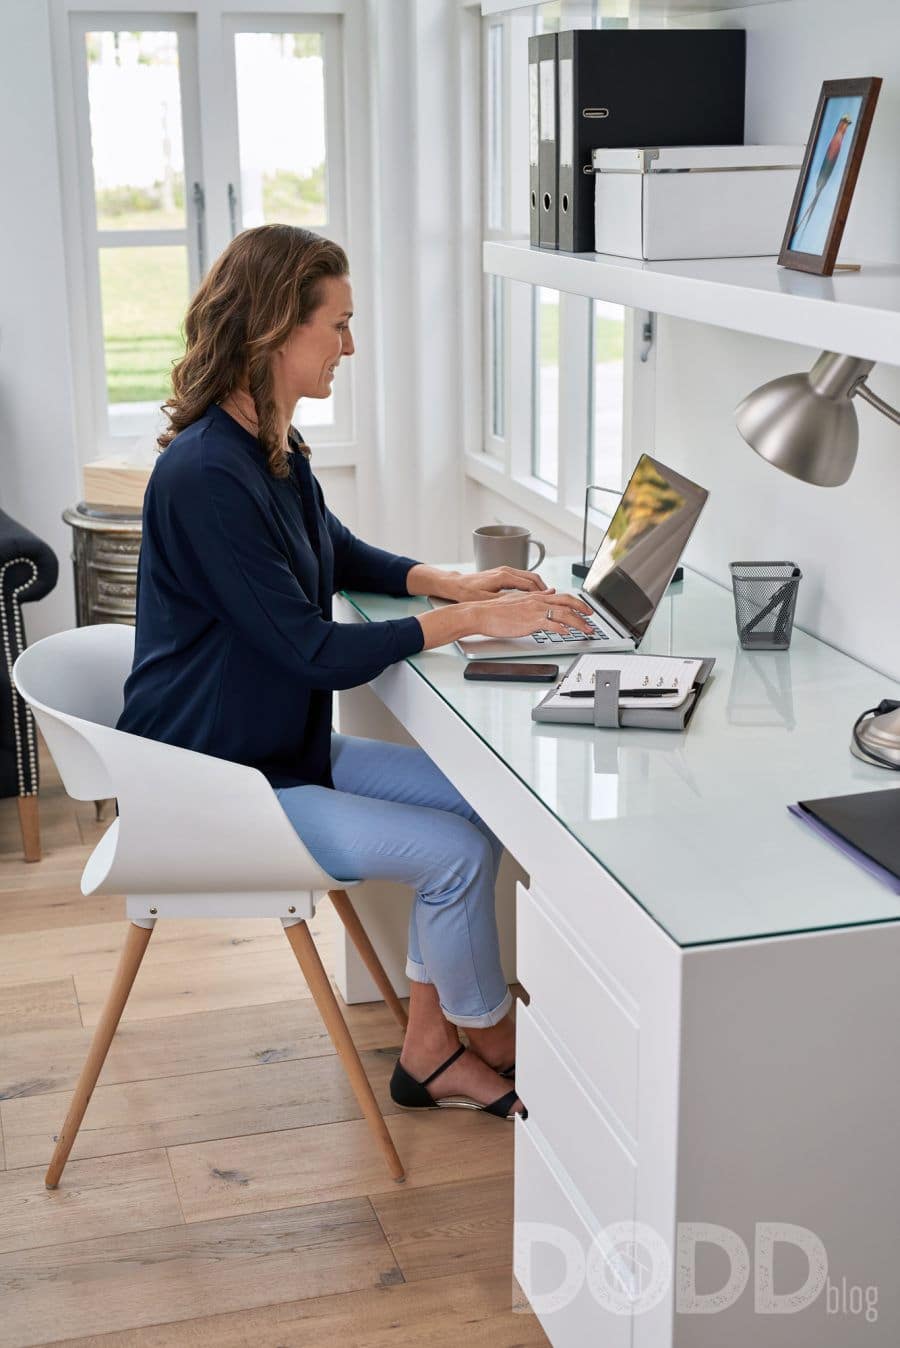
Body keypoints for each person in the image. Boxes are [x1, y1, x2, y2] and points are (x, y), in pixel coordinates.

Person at [118, 224, 593, 1120]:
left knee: (479, 802)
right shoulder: (205, 476)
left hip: (277, 748)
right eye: (336, 325)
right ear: (272, 329)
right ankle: (488, 1034)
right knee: (453, 855)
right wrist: (470, 621)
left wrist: (446, 579)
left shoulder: (269, 440)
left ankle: (428, 1052)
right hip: (219, 777)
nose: (350, 346)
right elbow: (313, 651)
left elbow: (329, 550)